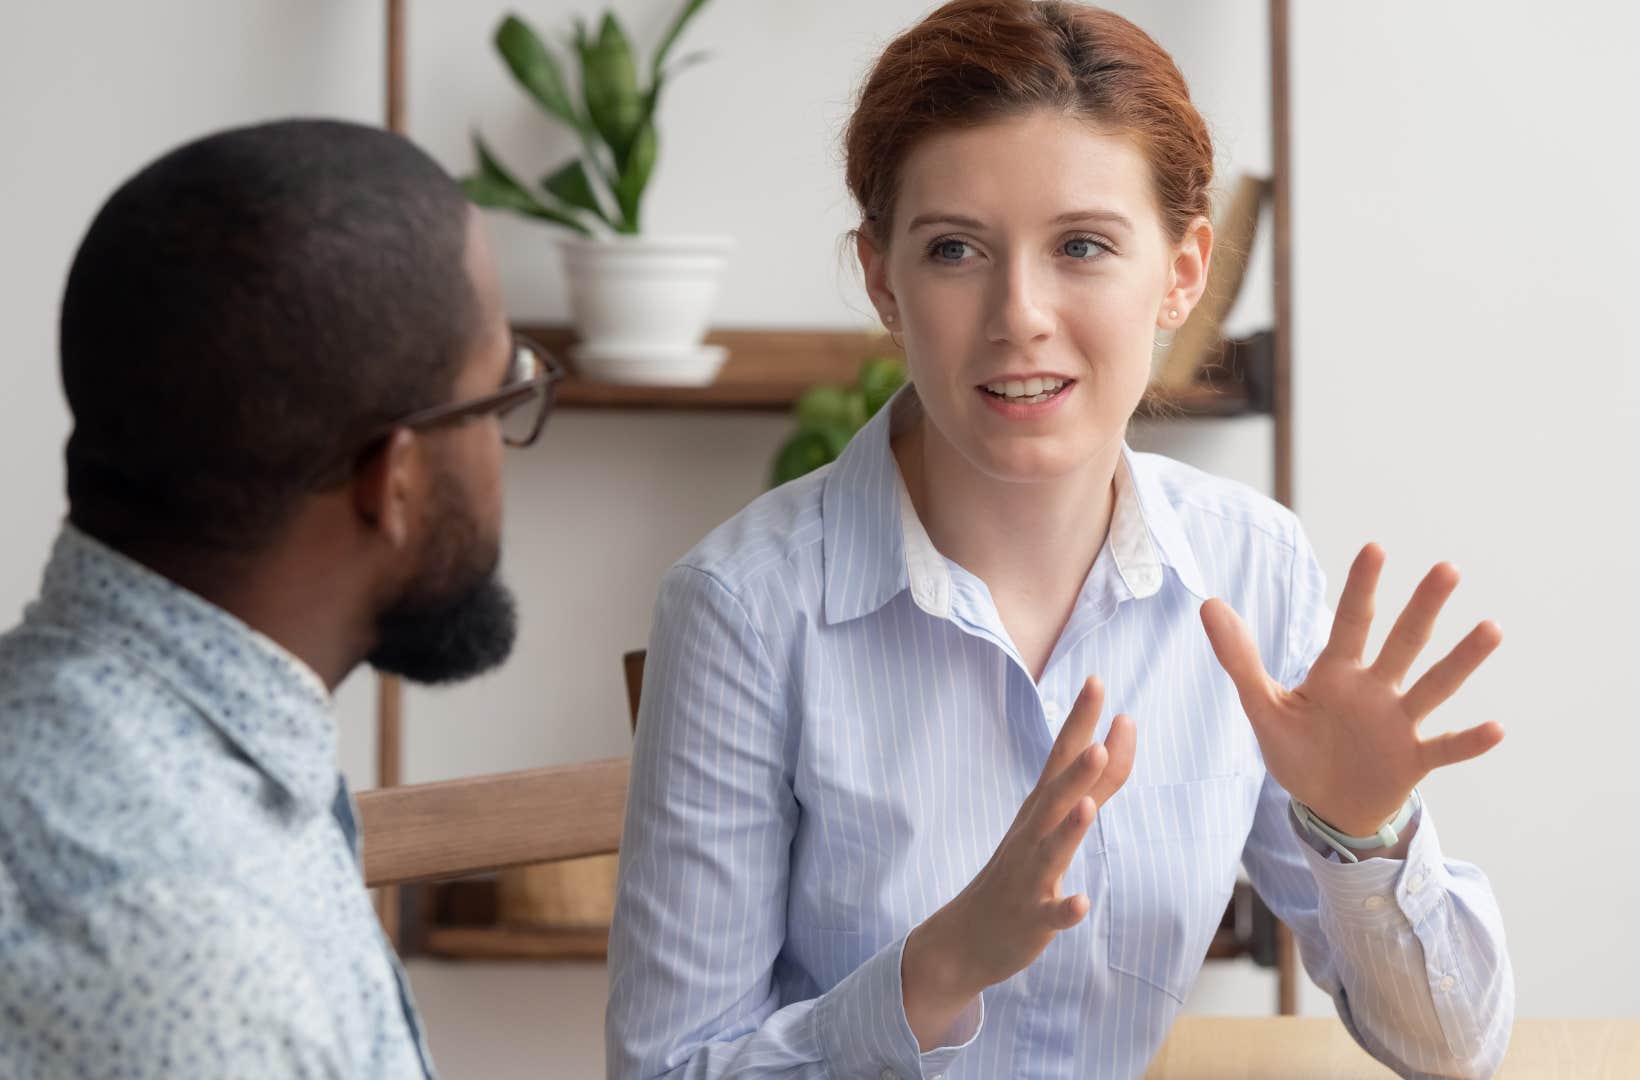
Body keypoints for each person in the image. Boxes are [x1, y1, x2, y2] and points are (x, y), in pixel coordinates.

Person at [606, 2, 1515, 1077]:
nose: (1019, 314)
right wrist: (934, 972)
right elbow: (665, 1069)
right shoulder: (743, 609)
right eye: (954, 249)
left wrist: (1365, 837)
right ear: (883, 280)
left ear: (1182, 273)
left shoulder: (1251, 571)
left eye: (1082, 245)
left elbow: (1453, 1055)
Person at [0, 119, 562, 1077]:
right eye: (498, 395)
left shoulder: (83, 740)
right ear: (395, 478)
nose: (509, 445)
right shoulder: (196, 963)